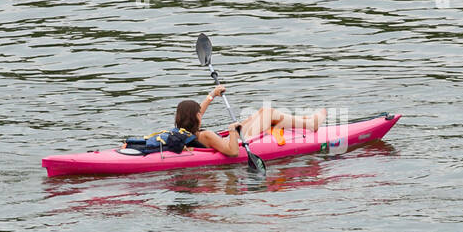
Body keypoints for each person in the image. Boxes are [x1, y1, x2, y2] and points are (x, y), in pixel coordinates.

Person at [122, 87, 326, 157]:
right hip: (240, 143)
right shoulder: (206, 135)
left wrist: (212, 95)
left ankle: (304, 121)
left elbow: (197, 113)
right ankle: (311, 124)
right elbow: (233, 152)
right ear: (196, 118)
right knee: (267, 112)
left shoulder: (182, 130)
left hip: (231, 138)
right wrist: (232, 131)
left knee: (258, 114)